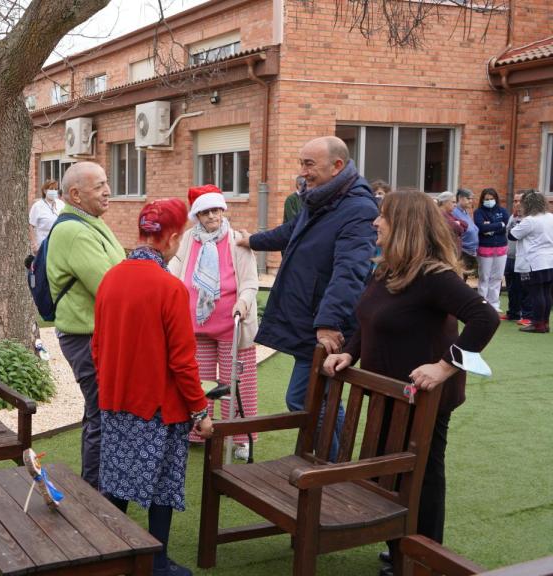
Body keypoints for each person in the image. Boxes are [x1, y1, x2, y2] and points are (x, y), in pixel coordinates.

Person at [322, 190, 499, 576]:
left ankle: (423, 555)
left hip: (427, 397)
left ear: (403, 224)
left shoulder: (435, 276)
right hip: (389, 391)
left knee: (422, 471)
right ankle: (398, 543)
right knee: (391, 467)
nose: (375, 222)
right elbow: (367, 319)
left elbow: (485, 318)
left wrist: (445, 366)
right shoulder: (387, 270)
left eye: (382, 216)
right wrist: (350, 353)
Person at [93, 198, 214, 576]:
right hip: (159, 407)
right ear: (173, 237)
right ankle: (156, 562)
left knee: (116, 479)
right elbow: (182, 361)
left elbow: (98, 346)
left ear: (141, 232)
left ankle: (114, 555)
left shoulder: (111, 277)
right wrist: (200, 411)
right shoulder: (169, 287)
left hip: (116, 400)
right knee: (162, 485)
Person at [238, 136, 377, 462]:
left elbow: (350, 272)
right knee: (320, 399)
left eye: (309, 164)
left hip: (326, 325)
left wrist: (329, 323)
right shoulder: (322, 199)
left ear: (337, 166)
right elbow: (291, 232)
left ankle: (332, 469)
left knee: (304, 399)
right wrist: (252, 241)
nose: (302, 172)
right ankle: (332, 464)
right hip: (311, 319)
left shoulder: (357, 209)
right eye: (301, 163)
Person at [46, 161, 125, 489]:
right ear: (75, 194)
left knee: (102, 412)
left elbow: (120, 269)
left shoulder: (90, 222)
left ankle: (103, 485)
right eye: (99, 186)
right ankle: (95, 492)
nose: (108, 191)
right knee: (102, 413)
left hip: (97, 334)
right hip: (85, 336)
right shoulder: (74, 230)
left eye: (107, 183)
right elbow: (112, 286)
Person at [168, 186, 259, 459]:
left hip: (233, 324)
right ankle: (199, 431)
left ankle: (242, 438)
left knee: (240, 383)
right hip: (197, 325)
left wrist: (243, 302)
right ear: (197, 215)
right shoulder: (188, 239)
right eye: (205, 212)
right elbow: (174, 267)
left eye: (216, 210)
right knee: (201, 381)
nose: (212, 216)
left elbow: (250, 280)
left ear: (223, 210)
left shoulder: (236, 240)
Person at [509, 189, 553, 334]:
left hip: (534, 261)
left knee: (536, 293)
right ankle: (545, 322)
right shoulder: (550, 217)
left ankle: (537, 323)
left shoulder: (530, 221)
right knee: (546, 293)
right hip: (550, 259)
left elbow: (512, 235)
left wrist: (517, 220)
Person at [473, 188, 510, 313]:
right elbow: (481, 227)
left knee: (497, 277)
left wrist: (491, 226)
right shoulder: (478, 212)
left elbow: (505, 225)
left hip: (501, 248)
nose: (489, 201)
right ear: (482, 200)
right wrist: (498, 225)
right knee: (484, 277)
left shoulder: (503, 211)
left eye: (491, 199)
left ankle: (494, 303)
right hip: (485, 248)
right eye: (486, 199)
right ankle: (482, 304)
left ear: (496, 199)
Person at [503, 190, 533, 326]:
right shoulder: (513, 217)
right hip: (510, 256)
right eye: (515, 201)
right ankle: (513, 312)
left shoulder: (530, 219)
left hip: (524, 259)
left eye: (519, 201)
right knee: (511, 287)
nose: (516, 204)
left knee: (525, 288)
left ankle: (527, 315)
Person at [29, 179, 65, 254]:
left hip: (59, 244)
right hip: (43, 245)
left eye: (56, 189)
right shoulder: (37, 206)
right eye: (51, 189)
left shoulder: (61, 204)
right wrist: (34, 244)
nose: (54, 191)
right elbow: (31, 225)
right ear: (45, 191)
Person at [452, 188, 479, 278]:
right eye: (468, 198)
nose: (471, 201)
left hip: (470, 252)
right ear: (460, 198)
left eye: (472, 199)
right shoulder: (454, 212)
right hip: (462, 252)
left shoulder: (465, 212)